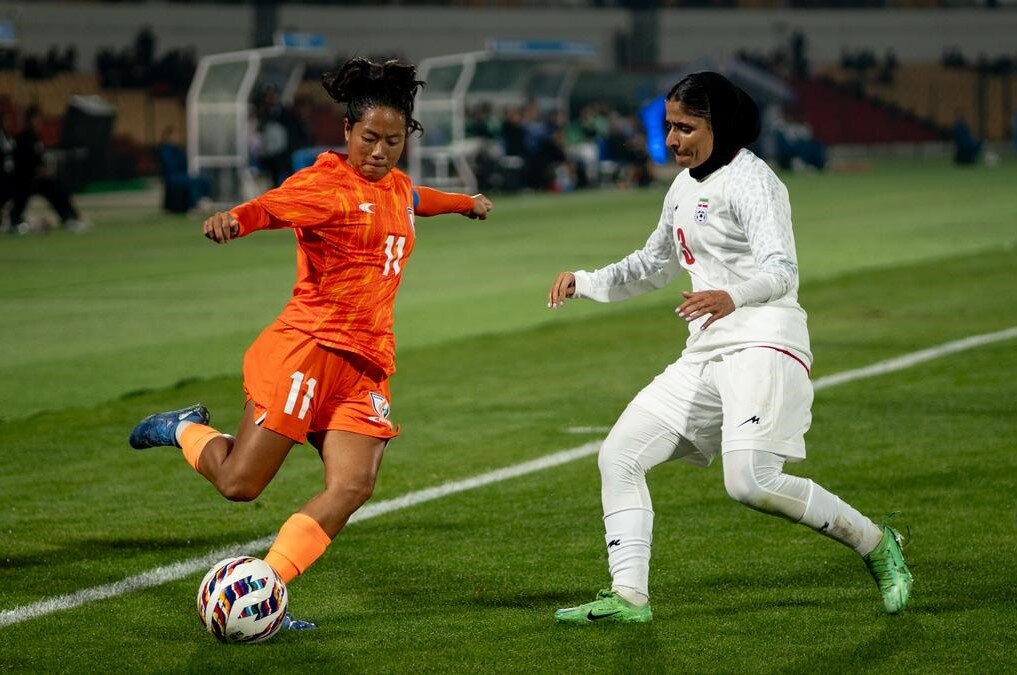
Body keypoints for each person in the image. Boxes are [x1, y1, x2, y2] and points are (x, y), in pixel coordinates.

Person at [128, 57, 493, 630]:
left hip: (363, 365)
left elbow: (415, 199)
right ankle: (183, 429)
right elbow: (270, 207)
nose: (380, 152)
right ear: (347, 130)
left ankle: (267, 592)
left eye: (393, 141)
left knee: (353, 484)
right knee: (240, 484)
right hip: (307, 350)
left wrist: (465, 203)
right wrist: (234, 220)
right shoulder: (325, 185)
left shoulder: (396, 186)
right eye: (368, 138)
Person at [547, 72, 911, 624]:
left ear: (719, 125)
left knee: (750, 482)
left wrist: (730, 296)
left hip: (766, 340)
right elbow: (653, 264)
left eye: (685, 127)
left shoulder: (753, 181)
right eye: (669, 126)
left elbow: (782, 271)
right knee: (618, 456)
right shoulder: (681, 188)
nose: (672, 139)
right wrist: (585, 280)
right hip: (708, 350)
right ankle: (629, 598)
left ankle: (878, 543)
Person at [10, 106, 91, 233]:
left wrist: (45, 171)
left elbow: (39, 160)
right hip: (24, 178)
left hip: (37, 179)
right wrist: (39, 171)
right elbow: (24, 162)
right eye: (36, 119)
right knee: (26, 190)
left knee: (57, 187)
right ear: (30, 120)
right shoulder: (23, 138)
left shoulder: (36, 137)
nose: (39, 122)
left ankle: (69, 218)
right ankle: (14, 220)